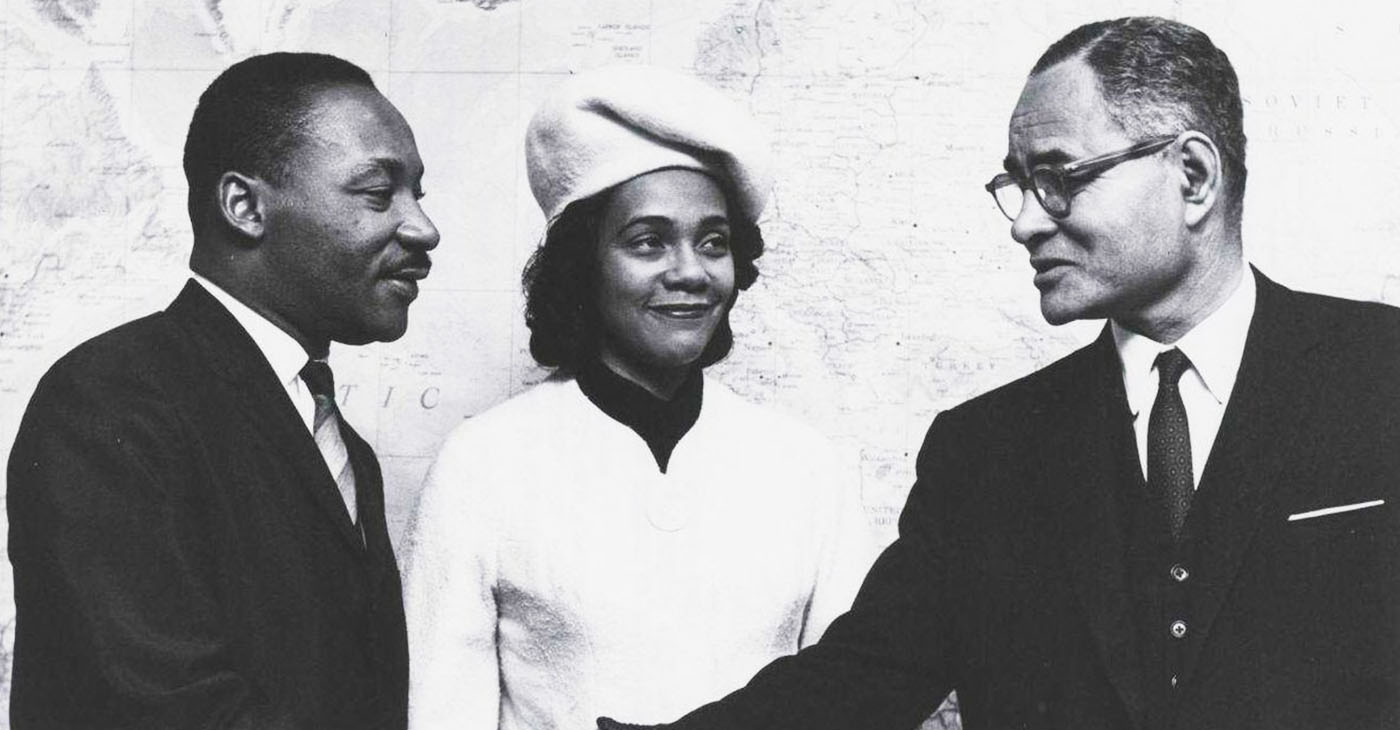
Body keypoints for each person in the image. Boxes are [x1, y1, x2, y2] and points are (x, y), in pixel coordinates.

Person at [597, 16, 1400, 730]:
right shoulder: (985, 451)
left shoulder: (1381, 373)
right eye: (1017, 185)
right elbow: (861, 679)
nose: (1023, 222)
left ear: (1192, 176)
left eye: (1059, 178)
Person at [401, 65, 875, 730]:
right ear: (581, 268)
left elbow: (855, 702)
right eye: (648, 241)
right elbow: (440, 713)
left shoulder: (807, 467)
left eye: (713, 242)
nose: (689, 271)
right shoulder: (483, 465)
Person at [7, 52, 440, 730]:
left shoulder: (344, 450)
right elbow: (168, 711)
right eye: (378, 193)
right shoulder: (107, 403)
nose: (422, 228)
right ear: (244, 206)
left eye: (418, 195)